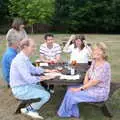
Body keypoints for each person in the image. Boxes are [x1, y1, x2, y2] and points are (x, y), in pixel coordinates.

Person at [57, 42, 111, 119]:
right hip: (91, 86)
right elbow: (88, 71)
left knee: (72, 93)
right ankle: (73, 112)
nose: (96, 52)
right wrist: (85, 80)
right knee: (70, 88)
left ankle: (66, 113)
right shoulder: (95, 61)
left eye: (99, 50)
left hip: (99, 92)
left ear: (104, 52)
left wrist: (80, 88)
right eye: (94, 50)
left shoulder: (105, 66)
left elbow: (94, 82)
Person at [10, 38, 56, 119]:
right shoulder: (20, 61)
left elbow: (33, 69)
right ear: (25, 47)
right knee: (46, 95)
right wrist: (46, 77)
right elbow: (29, 79)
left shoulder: (24, 58)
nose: (34, 49)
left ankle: (30, 108)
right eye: (32, 47)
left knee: (42, 89)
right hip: (20, 89)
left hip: (24, 85)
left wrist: (47, 70)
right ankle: (28, 110)